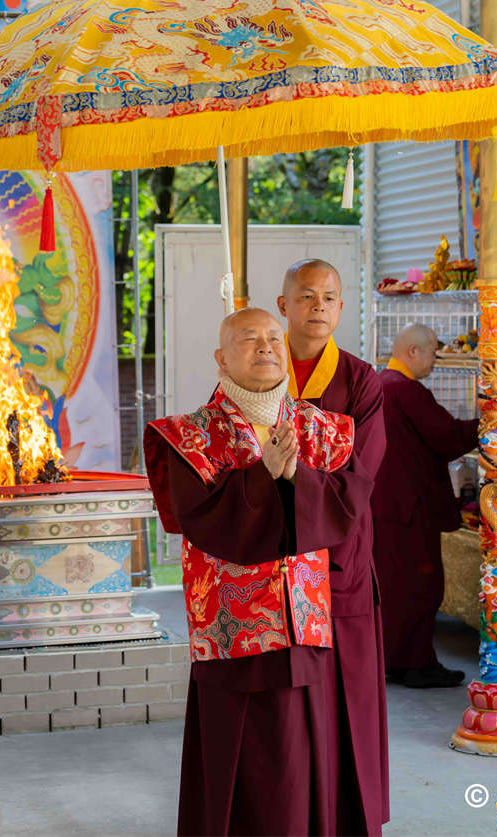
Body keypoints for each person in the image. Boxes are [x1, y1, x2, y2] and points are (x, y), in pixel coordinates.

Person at [144, 307, 359, 836]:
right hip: (232, 629)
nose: (265, 346)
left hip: (304, 620)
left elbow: (349, 505)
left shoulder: (320, 428)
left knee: (302, 753)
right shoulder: (190, 435)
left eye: (273, 338)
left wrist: (298, 477)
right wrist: (263, 476)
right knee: (240, 757)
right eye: (248, 338)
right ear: (221, 358)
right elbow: (201, 520)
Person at [277, 259, 388, 836]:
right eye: (306, 295)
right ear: (283, 305)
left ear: (342, 308)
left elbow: (361, 473)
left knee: (347, 691)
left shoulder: (361, 381)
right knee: (284, 698)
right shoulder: (259, 367)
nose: (317, 305)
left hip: (339, 554)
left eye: (328, 297)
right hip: (271, 555)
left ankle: (347, 817)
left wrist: (293, 477)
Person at [371, 323, 478, 688]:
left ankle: (396, 659)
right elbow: (447, 437)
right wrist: (490, 425)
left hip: (385, 503)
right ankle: (416, 664)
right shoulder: (406, 390)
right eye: (433, 352)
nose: (436, 359)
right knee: (421, 586)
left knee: (395, 587)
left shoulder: (380, 384)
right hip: (410, 506)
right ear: (413, 352)